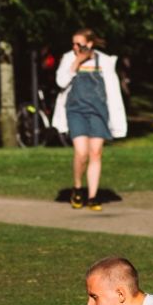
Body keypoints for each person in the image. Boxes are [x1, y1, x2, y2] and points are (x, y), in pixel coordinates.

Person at [52, 28, 127, 212]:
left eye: (80, 44)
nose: (75, 47)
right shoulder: (69, 58)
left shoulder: (104, 61)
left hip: (98, 113)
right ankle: (77, 188)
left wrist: (114, 118)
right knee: (81, 152)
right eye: (74, 43)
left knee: (96, 153)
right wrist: (76, 63)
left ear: (90, 44)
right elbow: (61, 82)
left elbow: (112, 92)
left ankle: (92, 197)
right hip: (75, 111)